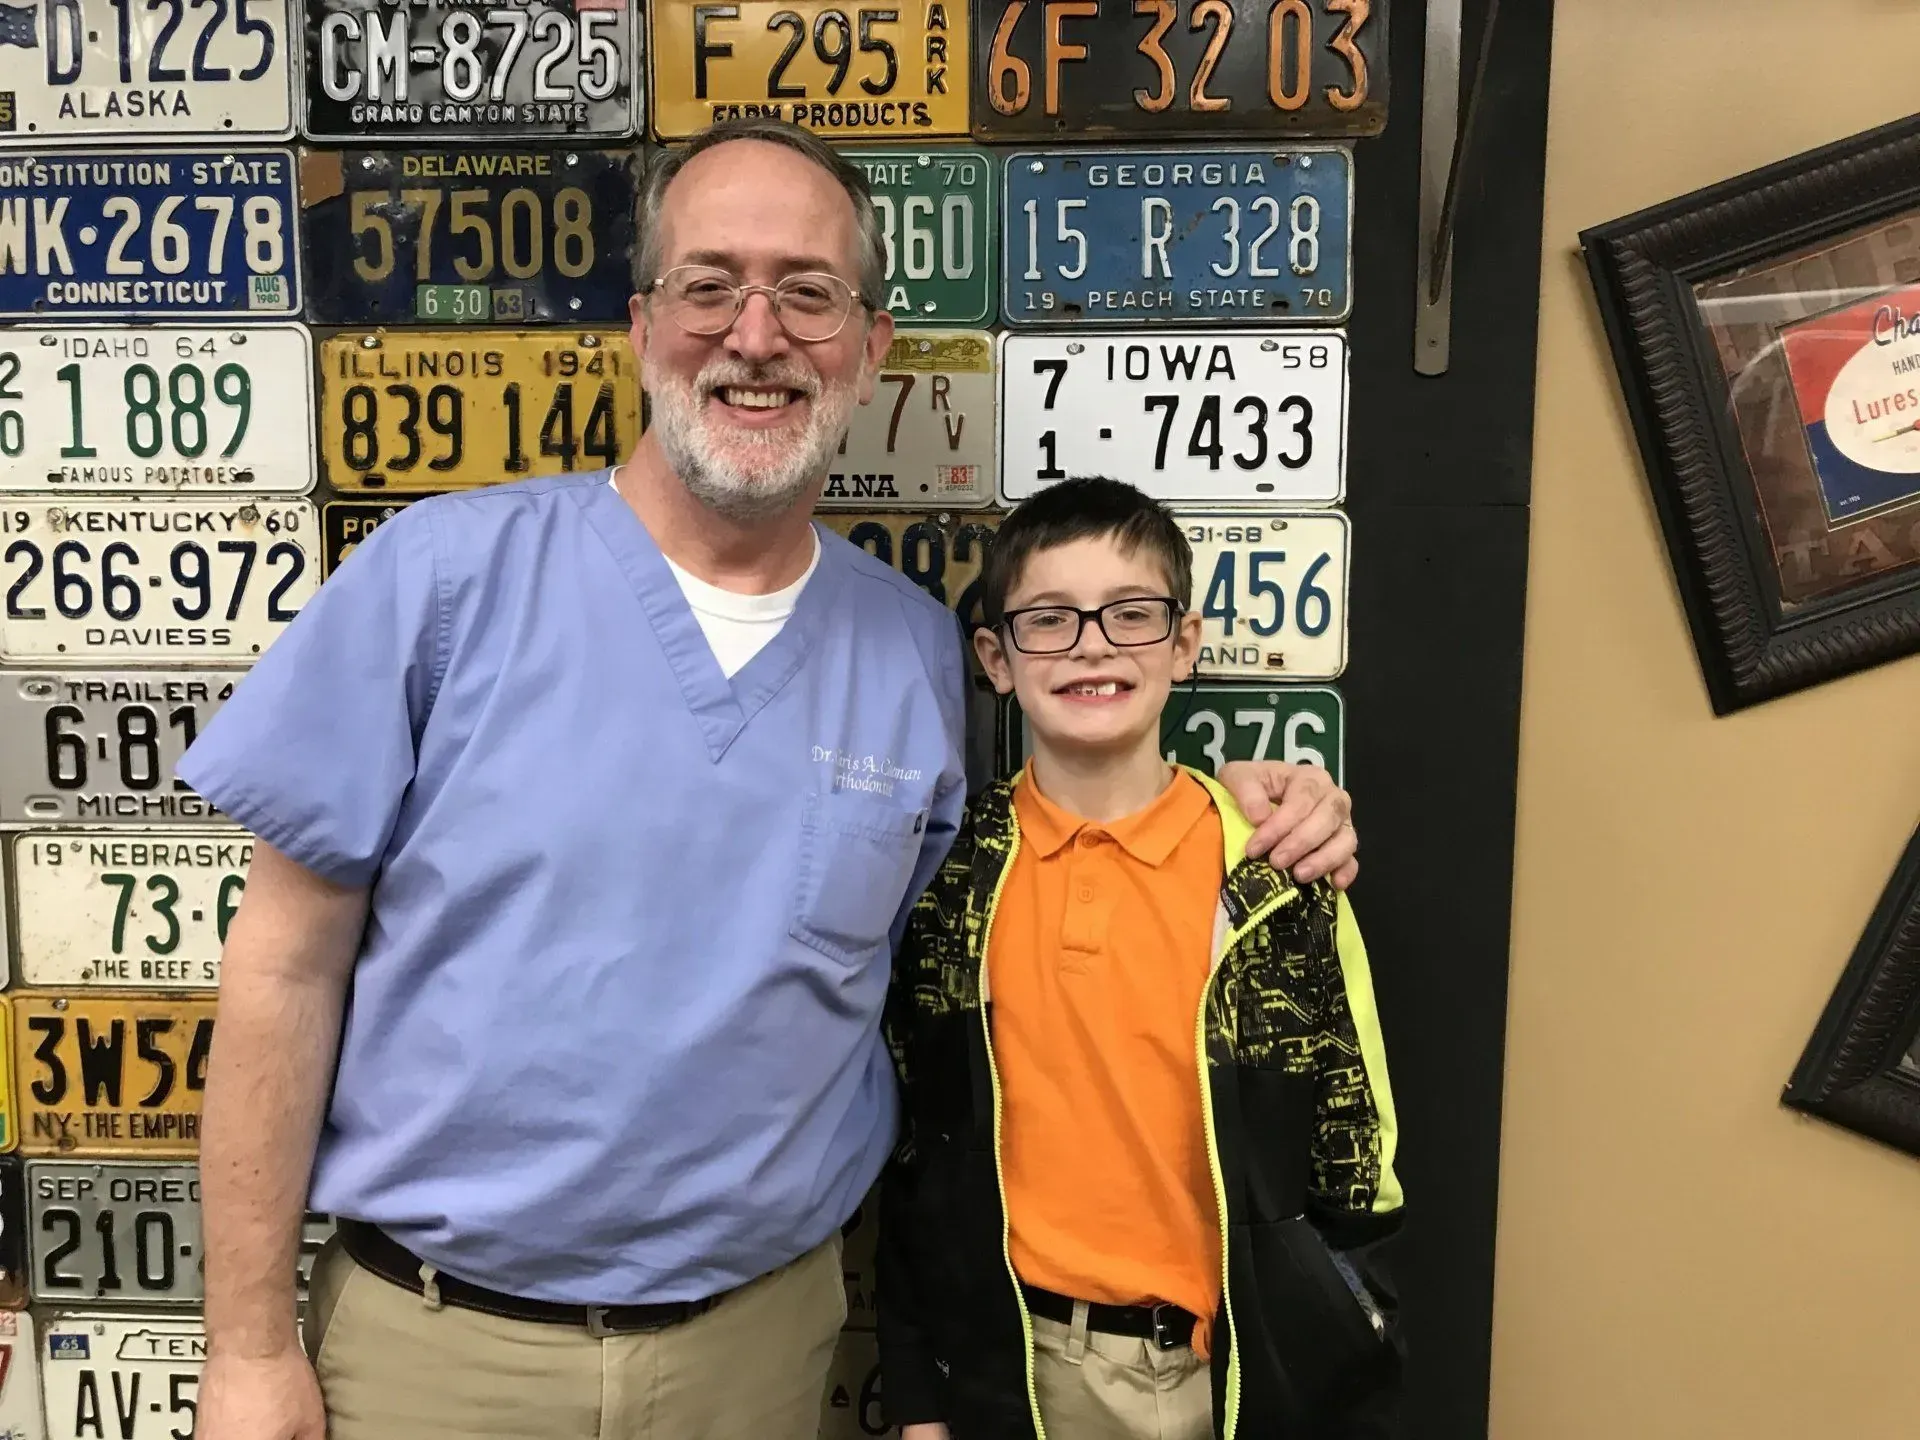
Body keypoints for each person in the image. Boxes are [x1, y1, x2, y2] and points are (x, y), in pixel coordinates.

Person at [182, 119, 1362, 1440]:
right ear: (639, 326)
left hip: (758, 1354)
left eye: (808, 292)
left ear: (872, 346)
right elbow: (281, 968)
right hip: (432, 1353)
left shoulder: (915, 648)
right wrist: (244, 1344)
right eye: (709, 285)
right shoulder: (439, 581)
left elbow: (1028, 871)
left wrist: (1251, 811)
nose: (756, 333)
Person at [878, 477, 1404, 1440]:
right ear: (995, 658)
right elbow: (922, 1155)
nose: (1091, 645)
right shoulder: (950, 885)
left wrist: (1331, 1352)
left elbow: (1354, 1169)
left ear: (1185, 643)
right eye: (1049, 620)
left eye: (1131, 614)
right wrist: (918, 1399)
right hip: (1017, 1369)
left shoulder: (1275, 876)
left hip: (1232, 1375)